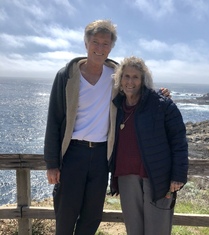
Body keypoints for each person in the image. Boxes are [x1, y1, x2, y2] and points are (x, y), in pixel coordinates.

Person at [44, 20, 170, 235]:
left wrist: (158, 95)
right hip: (73, 154)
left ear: (111, 47)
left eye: (105, 44)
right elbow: (54, 120)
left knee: (92, 216)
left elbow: (135, 89)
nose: (100, 48)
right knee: (65, 214)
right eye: (95, 42)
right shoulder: (66, 76)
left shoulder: (115, 77)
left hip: (103, 156)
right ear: (86, 43)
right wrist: (52, 163)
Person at [109, 56, 188, 235]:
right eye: (126, 76)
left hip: (157, 178)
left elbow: (179, 140)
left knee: (157, 230)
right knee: (134, 230)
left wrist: (178, 175)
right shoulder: (117, 106)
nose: (130, 81)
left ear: (143, 80)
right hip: (126, 177)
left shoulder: (161, 104)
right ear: (120, 79)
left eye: (135, 77)